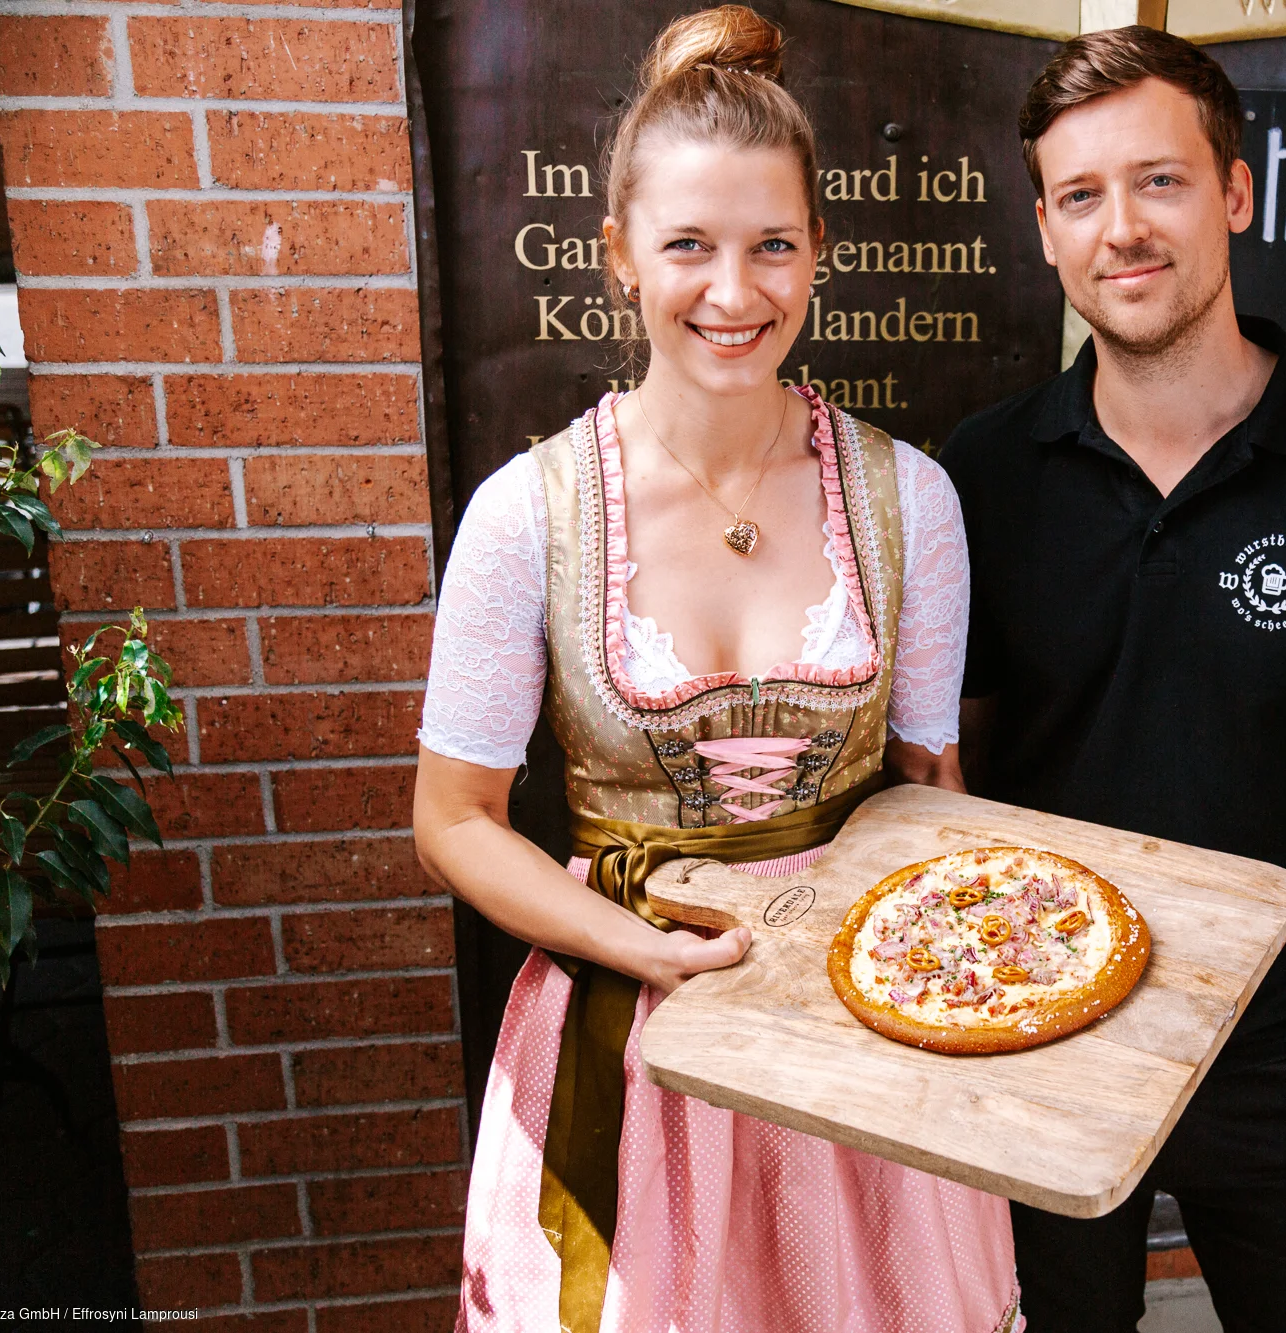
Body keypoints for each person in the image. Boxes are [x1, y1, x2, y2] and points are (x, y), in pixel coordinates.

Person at [413, 9, 1018, 1331]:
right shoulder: (528, 516)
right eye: (688, 243)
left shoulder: (911, 500)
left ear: (820, 254)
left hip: (854, 1027)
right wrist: (635, 950)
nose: (734, 294)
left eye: (772, 246)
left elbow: (930, 786)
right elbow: (453, 820)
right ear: (619, 255)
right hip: (626, 1029)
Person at [938, 27, 1286, 1333]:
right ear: (1045, 230)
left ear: (1235, 193)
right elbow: (952, 774)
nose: (1121, 228)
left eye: (1160, 181)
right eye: (1081, 196)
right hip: (1045, 1054)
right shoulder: (982, 476)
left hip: (1285, 1063)